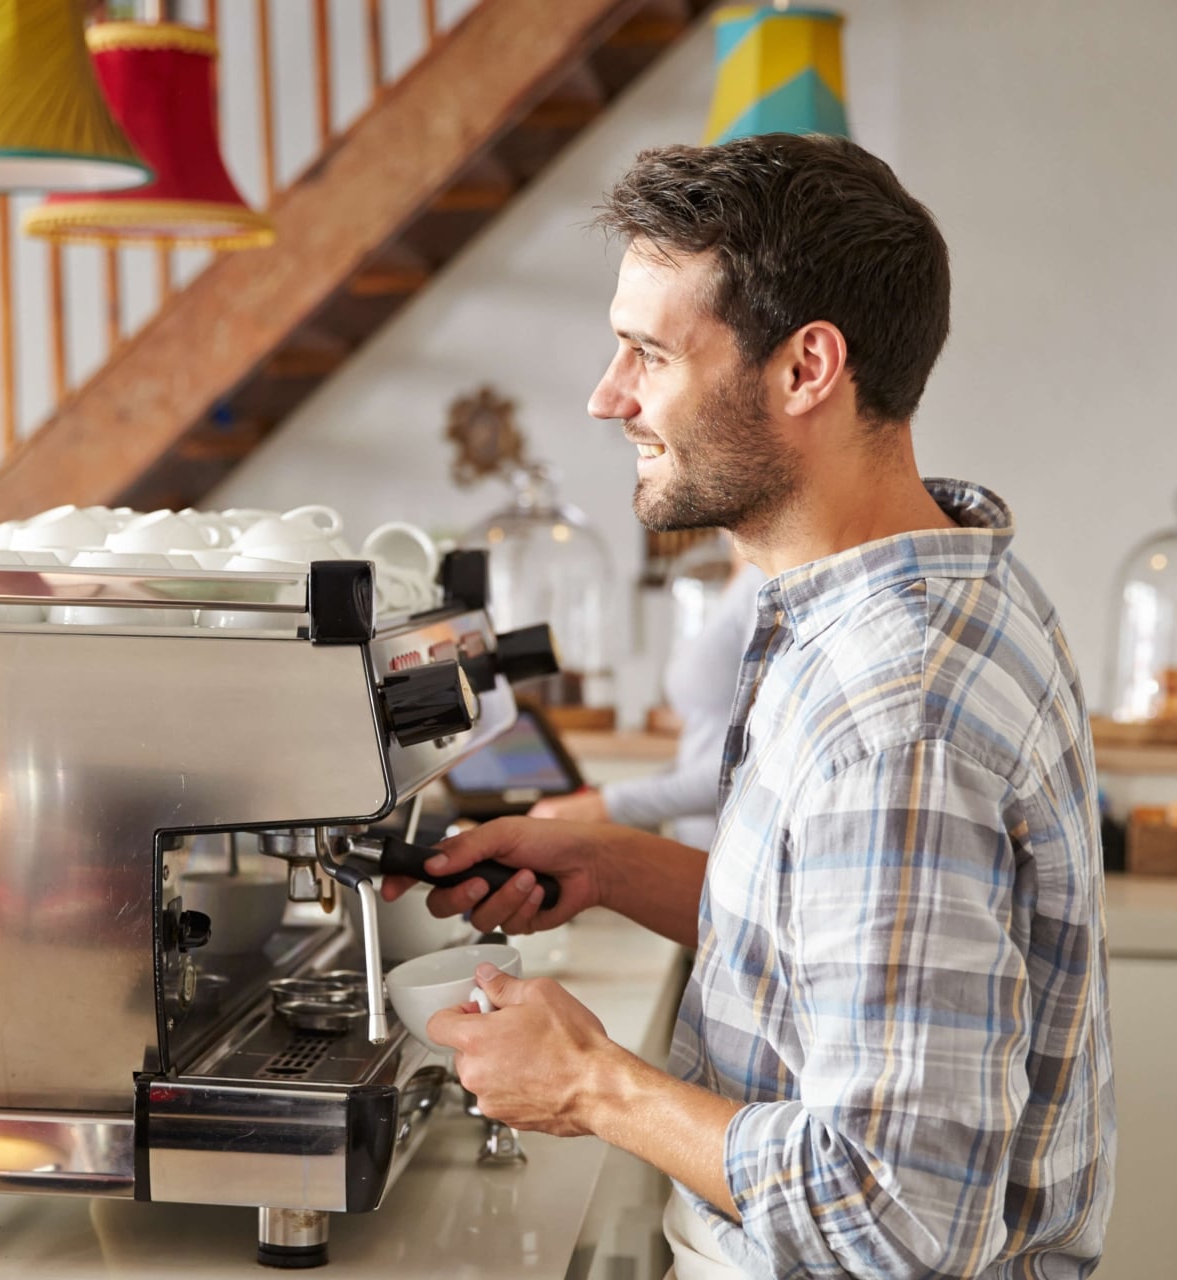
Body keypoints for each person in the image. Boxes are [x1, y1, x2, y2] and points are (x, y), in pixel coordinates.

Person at [385, 134, 1114, 1279]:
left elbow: (896, 1216)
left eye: (646, 354)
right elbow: (829, 952)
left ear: (804, 368)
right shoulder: (935, 591)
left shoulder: (894, 716)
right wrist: (613, 863)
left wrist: (592, 1081)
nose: (605, 395)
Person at [528, 541, 764, 848]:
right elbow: (705, 751)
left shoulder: (762, 580)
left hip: (733, 850)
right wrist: (605, 797)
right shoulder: (737, 577)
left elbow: (751, 762)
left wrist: (607, 805)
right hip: (701, 846)